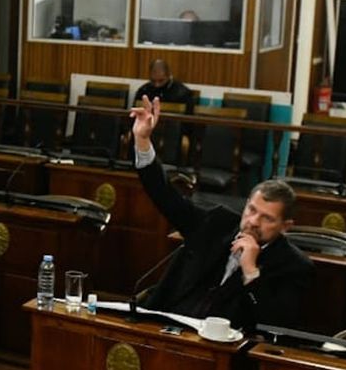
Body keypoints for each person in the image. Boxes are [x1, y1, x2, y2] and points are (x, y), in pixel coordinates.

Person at [130, 99, 312, 329]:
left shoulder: (293, 266)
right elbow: (166, 196)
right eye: (252, 210)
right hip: (166, 325)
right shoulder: (216, 223)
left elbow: (276, 324)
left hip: (224, 353)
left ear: (286, 226)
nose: (253, 221)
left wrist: (251, 272)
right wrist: (143, 140)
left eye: (267, 218)